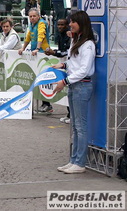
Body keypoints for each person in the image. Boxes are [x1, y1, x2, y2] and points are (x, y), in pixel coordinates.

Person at [53, 11, 95, 174]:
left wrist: (64, 81)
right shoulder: (76, 40)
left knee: (80, 126)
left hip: (81, 86)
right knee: (76, 127)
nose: (70, 25)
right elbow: (74, 64)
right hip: (74, 86)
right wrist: (63, 67)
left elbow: (84, 69)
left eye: (73, 22)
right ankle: (74, 160)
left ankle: (80, 162)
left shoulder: (88, 44)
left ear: (81, 23)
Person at [18, 8, 52, 113]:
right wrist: (23, 48)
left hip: (43, 53)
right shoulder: (31, 25)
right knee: (36, 78)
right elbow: (28, 37)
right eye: (30, 16)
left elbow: (41, 36)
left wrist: (37, 48)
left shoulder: (42, 23)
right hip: (36, 53)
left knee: (43, 79)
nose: (32, 18)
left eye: (34, 16)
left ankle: (47, 104)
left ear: (38, 16)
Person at [45, 18, 71, 123]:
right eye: (58, 24)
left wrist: (53, 52)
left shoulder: (69, 37)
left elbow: (66, 52)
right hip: (64, 66)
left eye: (62, 25)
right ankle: (69, 114)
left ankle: (71, 115)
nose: (60, 27)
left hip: (69, 67)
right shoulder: (60, 36)